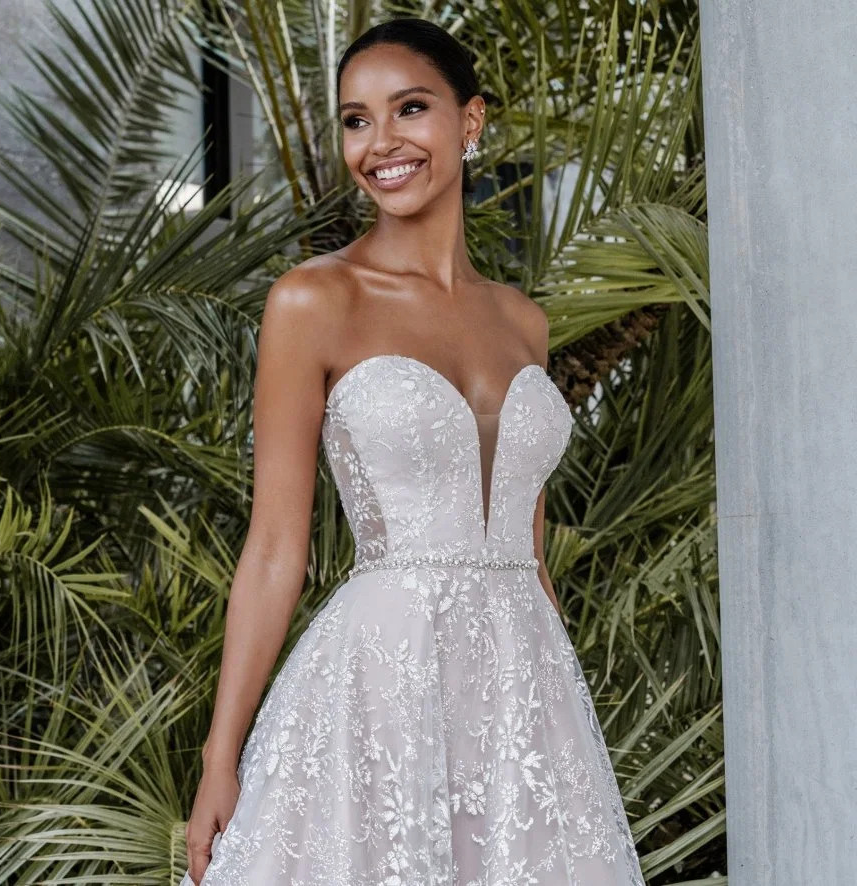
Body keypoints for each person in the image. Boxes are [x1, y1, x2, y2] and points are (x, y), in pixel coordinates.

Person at [180, 16, 644, 886]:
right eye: (356, 120)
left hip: (521, 685)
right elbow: (277, 548)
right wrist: (221, 755)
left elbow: (529, 551)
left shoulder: (522, 321)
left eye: (409, 109)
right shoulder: (313, 302)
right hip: (380, 681)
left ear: (470, 123)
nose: (379, 144)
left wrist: (556, 712)